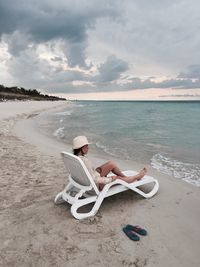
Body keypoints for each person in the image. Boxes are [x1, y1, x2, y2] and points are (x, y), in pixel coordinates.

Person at [72, 136, 147, 190]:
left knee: (111, 164)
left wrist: (98, 172)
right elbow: (94, 180)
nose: (88, 148)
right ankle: (137, 176)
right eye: (87, 146)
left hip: (87, 180)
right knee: (117, 178)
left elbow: (89, 174)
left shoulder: (75, 158)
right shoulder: (85, 161)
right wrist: (110, 179)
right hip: (96, 185)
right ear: (82, 148)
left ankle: (126, 178)